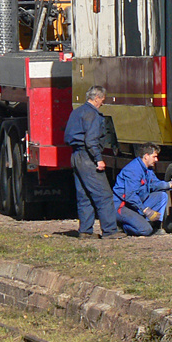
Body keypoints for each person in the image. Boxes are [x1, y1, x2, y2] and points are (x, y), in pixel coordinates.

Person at [63, 85, 120, 238]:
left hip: (76, 156)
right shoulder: (93, 115)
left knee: (84, 195)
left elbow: (67, 136)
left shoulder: (76, 112)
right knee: (104, 195)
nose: (103, 103)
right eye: (102, 99)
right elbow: (91, 141)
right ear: (97, 98)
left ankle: (85, 231)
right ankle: (110, 230)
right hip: (88, 157)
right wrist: (98, 159)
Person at [113, 143, 172, 236]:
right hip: (123, 206)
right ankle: (123, 226)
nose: (156, 160)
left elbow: (154, 184)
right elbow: (130, 196)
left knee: (162, 196)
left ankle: (155, 225)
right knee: (145, 230)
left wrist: (169, 184)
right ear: (146, 156)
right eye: (154, 157)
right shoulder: (133, 170)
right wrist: (144, 210)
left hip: (137, 204)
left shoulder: (147, 169)